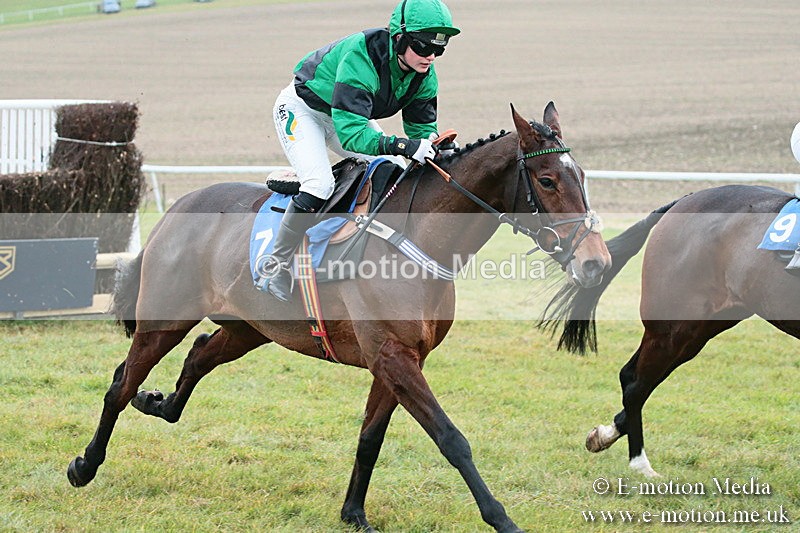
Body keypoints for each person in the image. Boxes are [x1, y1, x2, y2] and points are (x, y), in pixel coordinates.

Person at [267, 0, 460, 302]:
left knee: (395, 168)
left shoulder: (425, 74)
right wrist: (406, 147)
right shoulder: (362, 56)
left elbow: (421, 131)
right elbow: (353, 135)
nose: (431, 56)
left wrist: (435, 146)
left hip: (347, 115)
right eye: (423, 47)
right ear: (400, 37)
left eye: (440, 48)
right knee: (319, 185)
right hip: (304, 111)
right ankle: (276, 264)